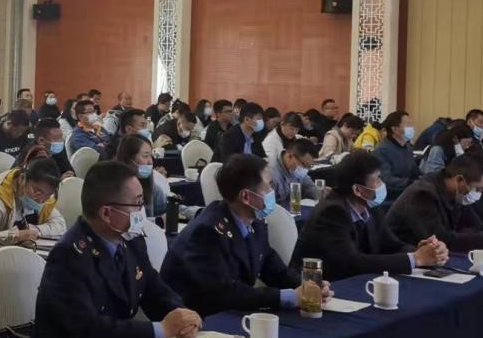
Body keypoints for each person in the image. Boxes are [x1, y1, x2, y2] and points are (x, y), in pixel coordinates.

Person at [32, 161, 201, 338]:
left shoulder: (132, 240)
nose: (141, 210)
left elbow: (154, 289)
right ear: (106, 213)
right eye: (137, 203)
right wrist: (160, 330)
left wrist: (182, 316)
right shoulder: (69, 255)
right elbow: (88, 329)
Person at [162, 154, 328, 316]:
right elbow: (225, 293)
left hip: (230, 311)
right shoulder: (206, 232)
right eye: (269, 186)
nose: (273, 191)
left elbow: (274, 269)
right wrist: (290, 297)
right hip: (195, 317)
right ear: (246, 196)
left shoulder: (255, 223)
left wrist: (309, 286)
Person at [292, 151, 449, 281]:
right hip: (322, 286)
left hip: (356, 281)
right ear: (358, 190)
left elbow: (391, 245)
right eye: (377, 179)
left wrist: (425, 252)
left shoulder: (371, 208)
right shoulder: (332, 212)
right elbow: (352, 262)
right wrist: (416, 259)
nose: (382, 184)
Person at [386, 154, 483, 253]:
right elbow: (441, 240)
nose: (478, 194)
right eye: (477, 189)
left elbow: (479, 227)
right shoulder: (422, 194)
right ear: (459, 180)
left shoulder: (458, 194)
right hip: (401, 256)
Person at [0, 158, 66, 246]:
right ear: (22, 179)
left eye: (48, 195)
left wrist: (34, 230)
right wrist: (16, 236)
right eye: (37, 192)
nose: (41, 200)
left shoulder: (44, 195)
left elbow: (60, 226)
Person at [114, 134, 168, 217]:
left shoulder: (149, 181)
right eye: (145, 156)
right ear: (129, 159)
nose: (150, 161)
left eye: (151, 156)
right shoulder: (115, 187)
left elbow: (165, 206)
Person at [372, 111, 417, 201]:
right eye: (408, 124)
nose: (411, 127)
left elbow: (414, 171)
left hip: (407, 193)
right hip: (390, 197)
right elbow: (385, 179)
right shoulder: (381, 151)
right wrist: (409, 183)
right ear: (395, 129)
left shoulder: (407, 146)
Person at [268, 138, 320, 205]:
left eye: (309, 166)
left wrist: (320, 192)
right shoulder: (270, 172)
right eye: (304, 165)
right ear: (289, 156)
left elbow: (309, 187)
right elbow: (268, 206)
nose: (305, 169)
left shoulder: (297, 170)